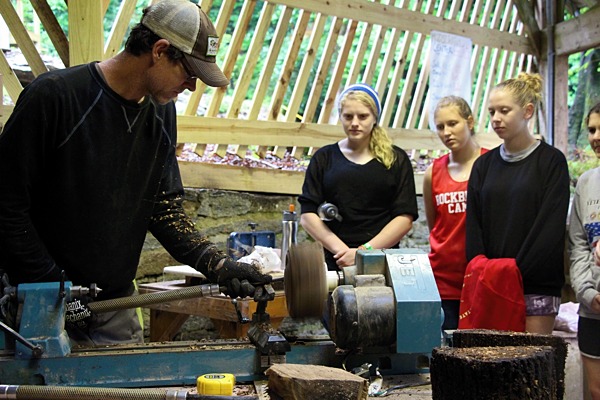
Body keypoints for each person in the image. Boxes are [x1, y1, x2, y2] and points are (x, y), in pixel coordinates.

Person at [0, 0, 271, 346]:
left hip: (115, 303)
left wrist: (218, 265)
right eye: (189, 74)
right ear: (159, 50)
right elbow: (7, 208)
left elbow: (163, 207)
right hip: (35, 301)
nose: (192, 87)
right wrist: (55, 288)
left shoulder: (161, 114)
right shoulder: (55, 98)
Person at [465, 72, 570, 334]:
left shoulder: (551, 162)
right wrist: (486, 269)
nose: (496, 119)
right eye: (491, 112)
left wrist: (513, 271)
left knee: (532, 366)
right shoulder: (483, 166)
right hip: (491, 282)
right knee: (491, 365)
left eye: (504, 110)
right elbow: (474, 225)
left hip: (535, 284)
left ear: (527, 112)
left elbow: (550, 227)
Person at [298, 83, 418, 271]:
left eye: (363, 116)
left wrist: (364, 252)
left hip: (384, 262)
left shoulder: (396, 159)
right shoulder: (324, 158)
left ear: (375, 118)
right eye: (348, 116)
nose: (355, 123)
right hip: (336, 261)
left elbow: (404, 217)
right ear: (341, 117)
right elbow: (308, 214)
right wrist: (343, 252)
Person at [423, 96, 487, 331]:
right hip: (443, 280)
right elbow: (435, 226)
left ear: (469, 122)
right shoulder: (434, 172)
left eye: (453, 123)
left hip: (481, 276)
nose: (447, 132)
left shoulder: (490, 162)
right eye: (440, 127)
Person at [568, 101, 600, 400]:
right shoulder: (587, 183)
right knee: (595, 391)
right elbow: (578, 245)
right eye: (592, 129)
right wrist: (588, 294)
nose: (596, 136)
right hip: (593, 311)